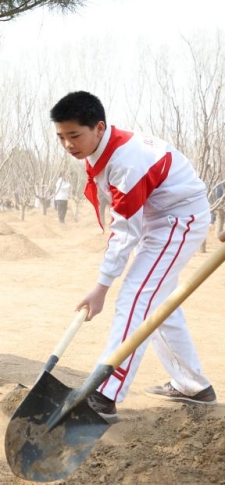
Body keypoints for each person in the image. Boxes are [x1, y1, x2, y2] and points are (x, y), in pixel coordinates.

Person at [50, 91, 216, 421]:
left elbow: (126, 231)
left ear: (98, 127)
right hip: (161, 217)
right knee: (157, 302)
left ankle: (105, 392)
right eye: (61, 137)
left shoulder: (127, 161)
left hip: (178, 220)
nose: (68, 144)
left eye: (74, 135)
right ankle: (193, 385)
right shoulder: (103, 148)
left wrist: (102, 286)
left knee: (135, 296)